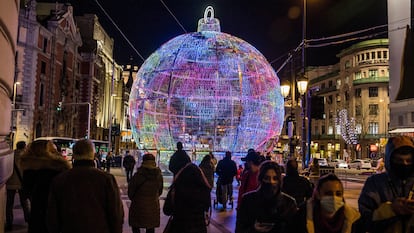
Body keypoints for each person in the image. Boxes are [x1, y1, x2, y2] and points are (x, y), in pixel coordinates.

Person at [47, 139, 124, 233]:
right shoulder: (106, 179)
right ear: (93, 154)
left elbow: (52, 216)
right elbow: (116, 213)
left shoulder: (60, 179)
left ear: (74, 155)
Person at [359, 135, 414, 233]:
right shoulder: (375, 183)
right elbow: (365, 221)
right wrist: (391, 209)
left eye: (409, 161)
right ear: (390, 160)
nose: (404, 164)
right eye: (399, 160)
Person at [20, 140, 71, 233]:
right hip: (57, 215)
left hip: (37, 214)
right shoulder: (59, 168)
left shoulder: (29, 169)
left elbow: (25, 192)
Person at [236, 161, 297, 233]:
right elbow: (240, 229)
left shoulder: (289, 203)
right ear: (261, 179)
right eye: (267, 178)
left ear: (279, 180)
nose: (271, 182)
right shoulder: (248, 200)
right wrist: (253, 230)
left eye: (275, 178)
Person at [296, 173, 360, 233]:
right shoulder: (301, 217)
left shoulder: (354, 219)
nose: (334, 198)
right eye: (328, 193)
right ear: (318, 194)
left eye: (338, 194)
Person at [163, 163, 211, 233]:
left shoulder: (176, 189)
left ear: (181, 176)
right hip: (199, 228)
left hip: (179, 227)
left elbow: (167, 210)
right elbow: (206, 207)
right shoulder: (204, 190)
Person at [128, 153, 163, 233]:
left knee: (136, 226)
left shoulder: (138, 175)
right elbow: (160, 191)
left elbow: (131, 192)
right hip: (153, 206)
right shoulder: (158, 176)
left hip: (138, 206)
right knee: (150, 227)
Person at [5, 141, 30, 231]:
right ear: (24, 147)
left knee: (9, 205)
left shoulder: (11, 155)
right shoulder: (26, 157)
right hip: (22, 183)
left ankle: (9, 223)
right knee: (24, 203)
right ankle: (28, 220)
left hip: (10, 183)